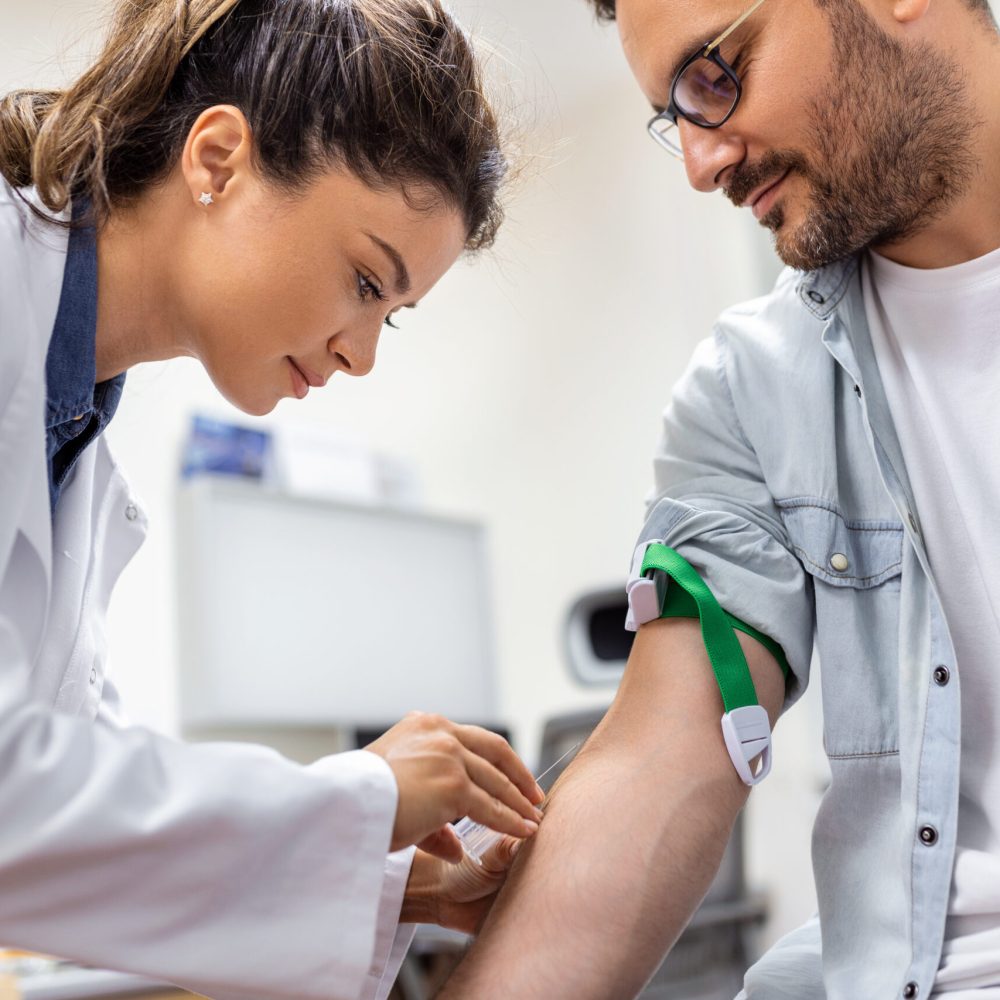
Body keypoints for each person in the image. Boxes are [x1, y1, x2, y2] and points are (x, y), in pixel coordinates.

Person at [438, 0, 1000, 998]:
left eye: (716, 74)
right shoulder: (750, 389)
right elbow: (659, 757)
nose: (701, 164)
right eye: (676, 115)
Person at [0, 1, 547, 998]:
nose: (361, 352)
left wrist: (381, 881)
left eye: (394, 315)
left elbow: (71, 798)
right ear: (218, 159)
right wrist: (360, 795)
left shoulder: (65, 418)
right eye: (361, 279)